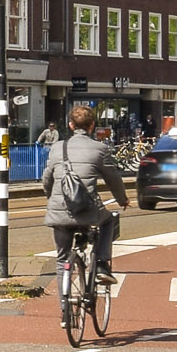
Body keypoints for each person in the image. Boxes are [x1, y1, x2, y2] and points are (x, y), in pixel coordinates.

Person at [40, 99, 132, 289]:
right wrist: (122, 200)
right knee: (109, 220)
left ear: (70, 125)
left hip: (59, 212)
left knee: (62, 259)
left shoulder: (57, 148)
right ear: (92, 126)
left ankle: (64, 306)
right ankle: (101, 265)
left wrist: (52, 200)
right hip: (88, 211)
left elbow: (47, 179)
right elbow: (113, 179)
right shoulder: (100, 149)